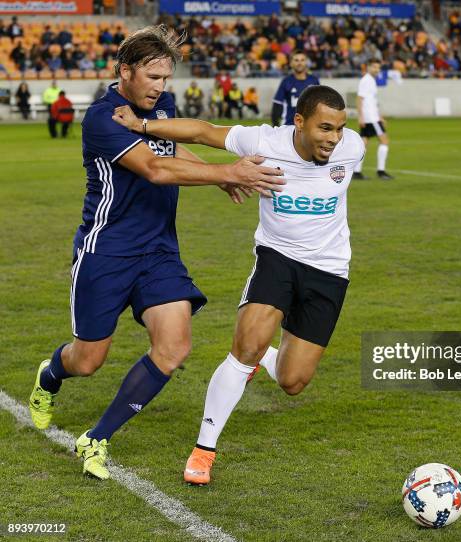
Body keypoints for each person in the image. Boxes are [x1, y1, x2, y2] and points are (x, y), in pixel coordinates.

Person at [28, 25, 285, 481]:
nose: (161, 88)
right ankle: (50, 375)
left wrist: (217, 173)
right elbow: (155, 168)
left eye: (166, 78)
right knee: (87, 361)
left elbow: (170, 145)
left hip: (159, 251)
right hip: (106, 251)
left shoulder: (156, 106)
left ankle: (98, 438)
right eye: (153, 77)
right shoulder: (101, 118)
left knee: (174, 346)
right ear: (125, 71)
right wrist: (229, 171)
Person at [111, 85, 365, 486]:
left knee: (293, 381)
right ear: (299, 122)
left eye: (340, 129)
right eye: (325, 128)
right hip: (277, 258)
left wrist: (341, 138)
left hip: (330, 271)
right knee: (245, 347)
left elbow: (343, 146)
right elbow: (202, 132)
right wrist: (143, 124)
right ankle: (204, 449)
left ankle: (267, 359)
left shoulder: (352, 148)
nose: (334, 139)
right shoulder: (264, 140)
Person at [353, 59, 393, 181]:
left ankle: (356, 172)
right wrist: (361, 117)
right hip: (370, 118)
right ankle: (381, 171)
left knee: (363, 144)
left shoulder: (371, 80)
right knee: (384, 141)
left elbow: (372, 101)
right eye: (374, 67)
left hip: (372, 117)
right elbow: (359, 99)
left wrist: (379, 116)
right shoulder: (366, 80)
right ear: (368, 67)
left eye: (378, 67)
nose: (376, 69)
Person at [271, 49, 319, 126]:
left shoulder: (314, 80)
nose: (299, 63)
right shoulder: (286, 81)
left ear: (306, 62)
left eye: (302, 60)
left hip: (309, 126)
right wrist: (275, 125)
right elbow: (277, 104)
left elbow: (319, 104)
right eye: (296, 60)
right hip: (289, 126)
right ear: (291, 63)